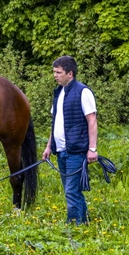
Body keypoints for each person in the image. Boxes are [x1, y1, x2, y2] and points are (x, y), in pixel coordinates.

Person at [41, 55, 98, 224]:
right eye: (54, 72)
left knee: (71, 191)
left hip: (76, 150)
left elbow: (92, 121)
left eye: (58, 72)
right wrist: (49, 147)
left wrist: (92, 149)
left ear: (70, 73)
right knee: (72, 190)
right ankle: (83, 222)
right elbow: (55, 123)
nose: (55, 75)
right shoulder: (59, 93)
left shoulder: (83, 92)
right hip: (61, 151)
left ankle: (73, 224)